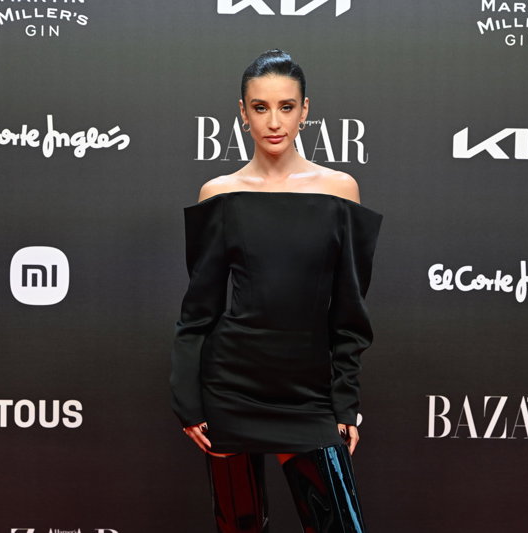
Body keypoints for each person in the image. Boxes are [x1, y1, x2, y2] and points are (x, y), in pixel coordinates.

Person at [170, 49, 383, 532]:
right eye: (260, 107)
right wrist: (188, 402)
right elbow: (198, 311)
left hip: (308, 394)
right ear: (242, 113)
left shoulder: (339, 190)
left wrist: (345, 400)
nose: (273, 121)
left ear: (305, 110)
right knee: (240, 526)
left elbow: (351, 310)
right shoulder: (219, 194)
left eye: (286, 107)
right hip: (231, 388)